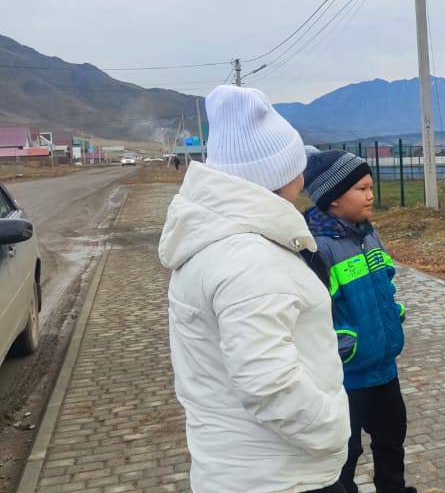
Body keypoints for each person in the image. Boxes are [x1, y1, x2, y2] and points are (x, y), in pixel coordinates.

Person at [159, 85, 350, 493]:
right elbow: (269, 383)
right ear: (282, 174)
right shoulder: (251, 260)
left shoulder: (221, 241)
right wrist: (334, 429)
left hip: (243, 469)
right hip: (283, 476)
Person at [301, 148, 417, 493]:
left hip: (383, 366)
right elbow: (313, 314)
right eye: (361, 189)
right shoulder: (315, 248)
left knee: (392, 440)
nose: (371, 195)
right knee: (344, 455)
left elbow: (385, 280)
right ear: (333, 198)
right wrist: (346, 343)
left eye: (370, 186)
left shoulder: (367, 234)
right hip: (347, 375)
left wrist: (392, 316)